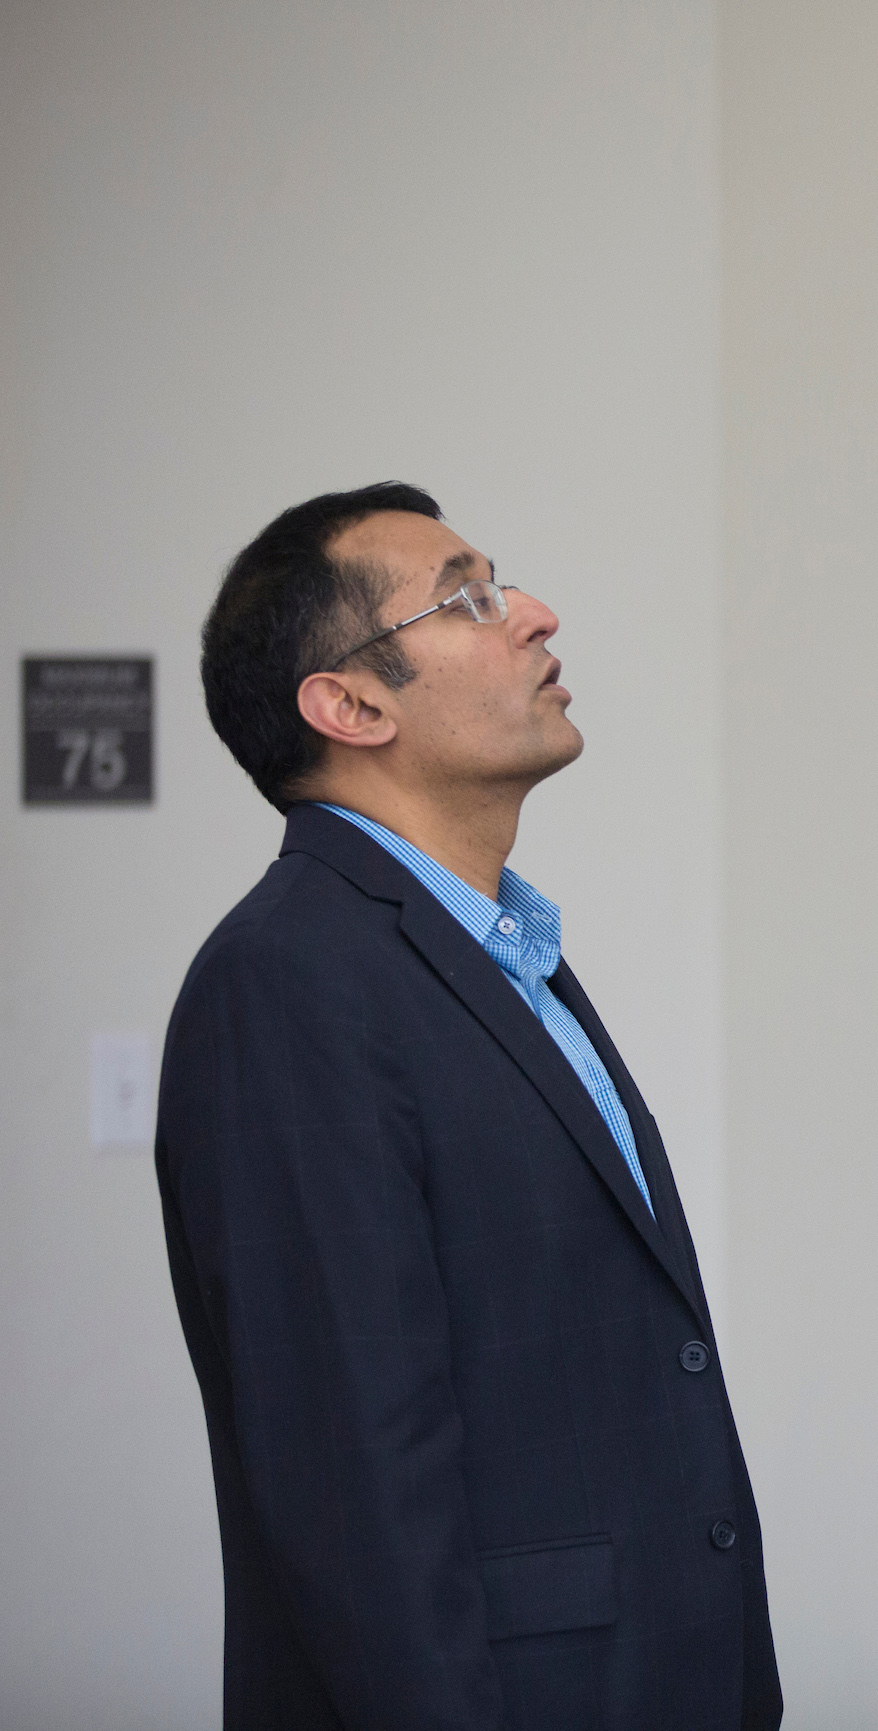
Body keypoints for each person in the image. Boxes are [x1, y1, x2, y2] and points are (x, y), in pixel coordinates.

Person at [157, 484, 781, 1729]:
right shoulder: (287, 979)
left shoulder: (502, 952)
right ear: (350, 703)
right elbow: (356, 1486)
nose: (536, 617)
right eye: (473, 597)